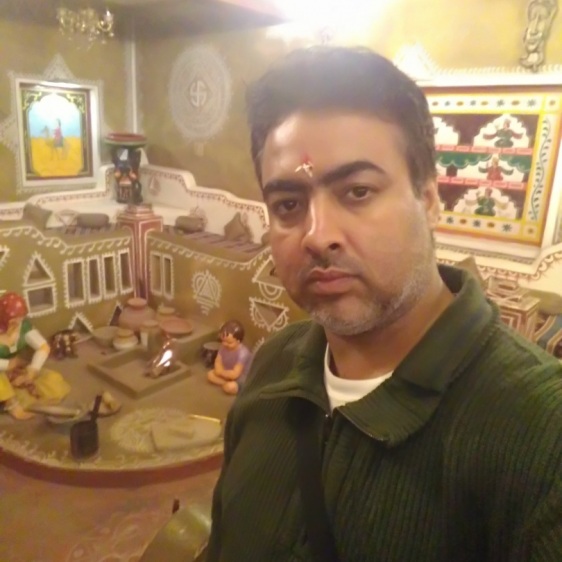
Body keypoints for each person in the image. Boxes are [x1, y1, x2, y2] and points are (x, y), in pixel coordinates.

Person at [206, 46, 562, 561]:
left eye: (357, 191)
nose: (317, 235)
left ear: (429, 200)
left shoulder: (543, 439)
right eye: (288, 204)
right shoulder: (271, 368)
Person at [0, 292, 70, 420]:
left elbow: (43, 347)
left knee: (51, 380)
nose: (18, 323)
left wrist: (32, 370)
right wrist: (8, 364)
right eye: (14, 319)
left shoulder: (23, 327)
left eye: (20, 318)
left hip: (12, 369)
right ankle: (12, 405)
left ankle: (15, 392)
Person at [207, 320, 252, 395]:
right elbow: (218, 361)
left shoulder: (243, 353)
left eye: (229, 342)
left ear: (238, 341)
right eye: (223, 341)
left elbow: (235, 374)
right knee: (210, 375)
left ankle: (231, 386)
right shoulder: (223, 347)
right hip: (226, 372)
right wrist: (219, 370)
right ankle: (225, 383)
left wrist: (220, 372)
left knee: (230, 387)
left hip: (241, 377)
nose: (225, 344)